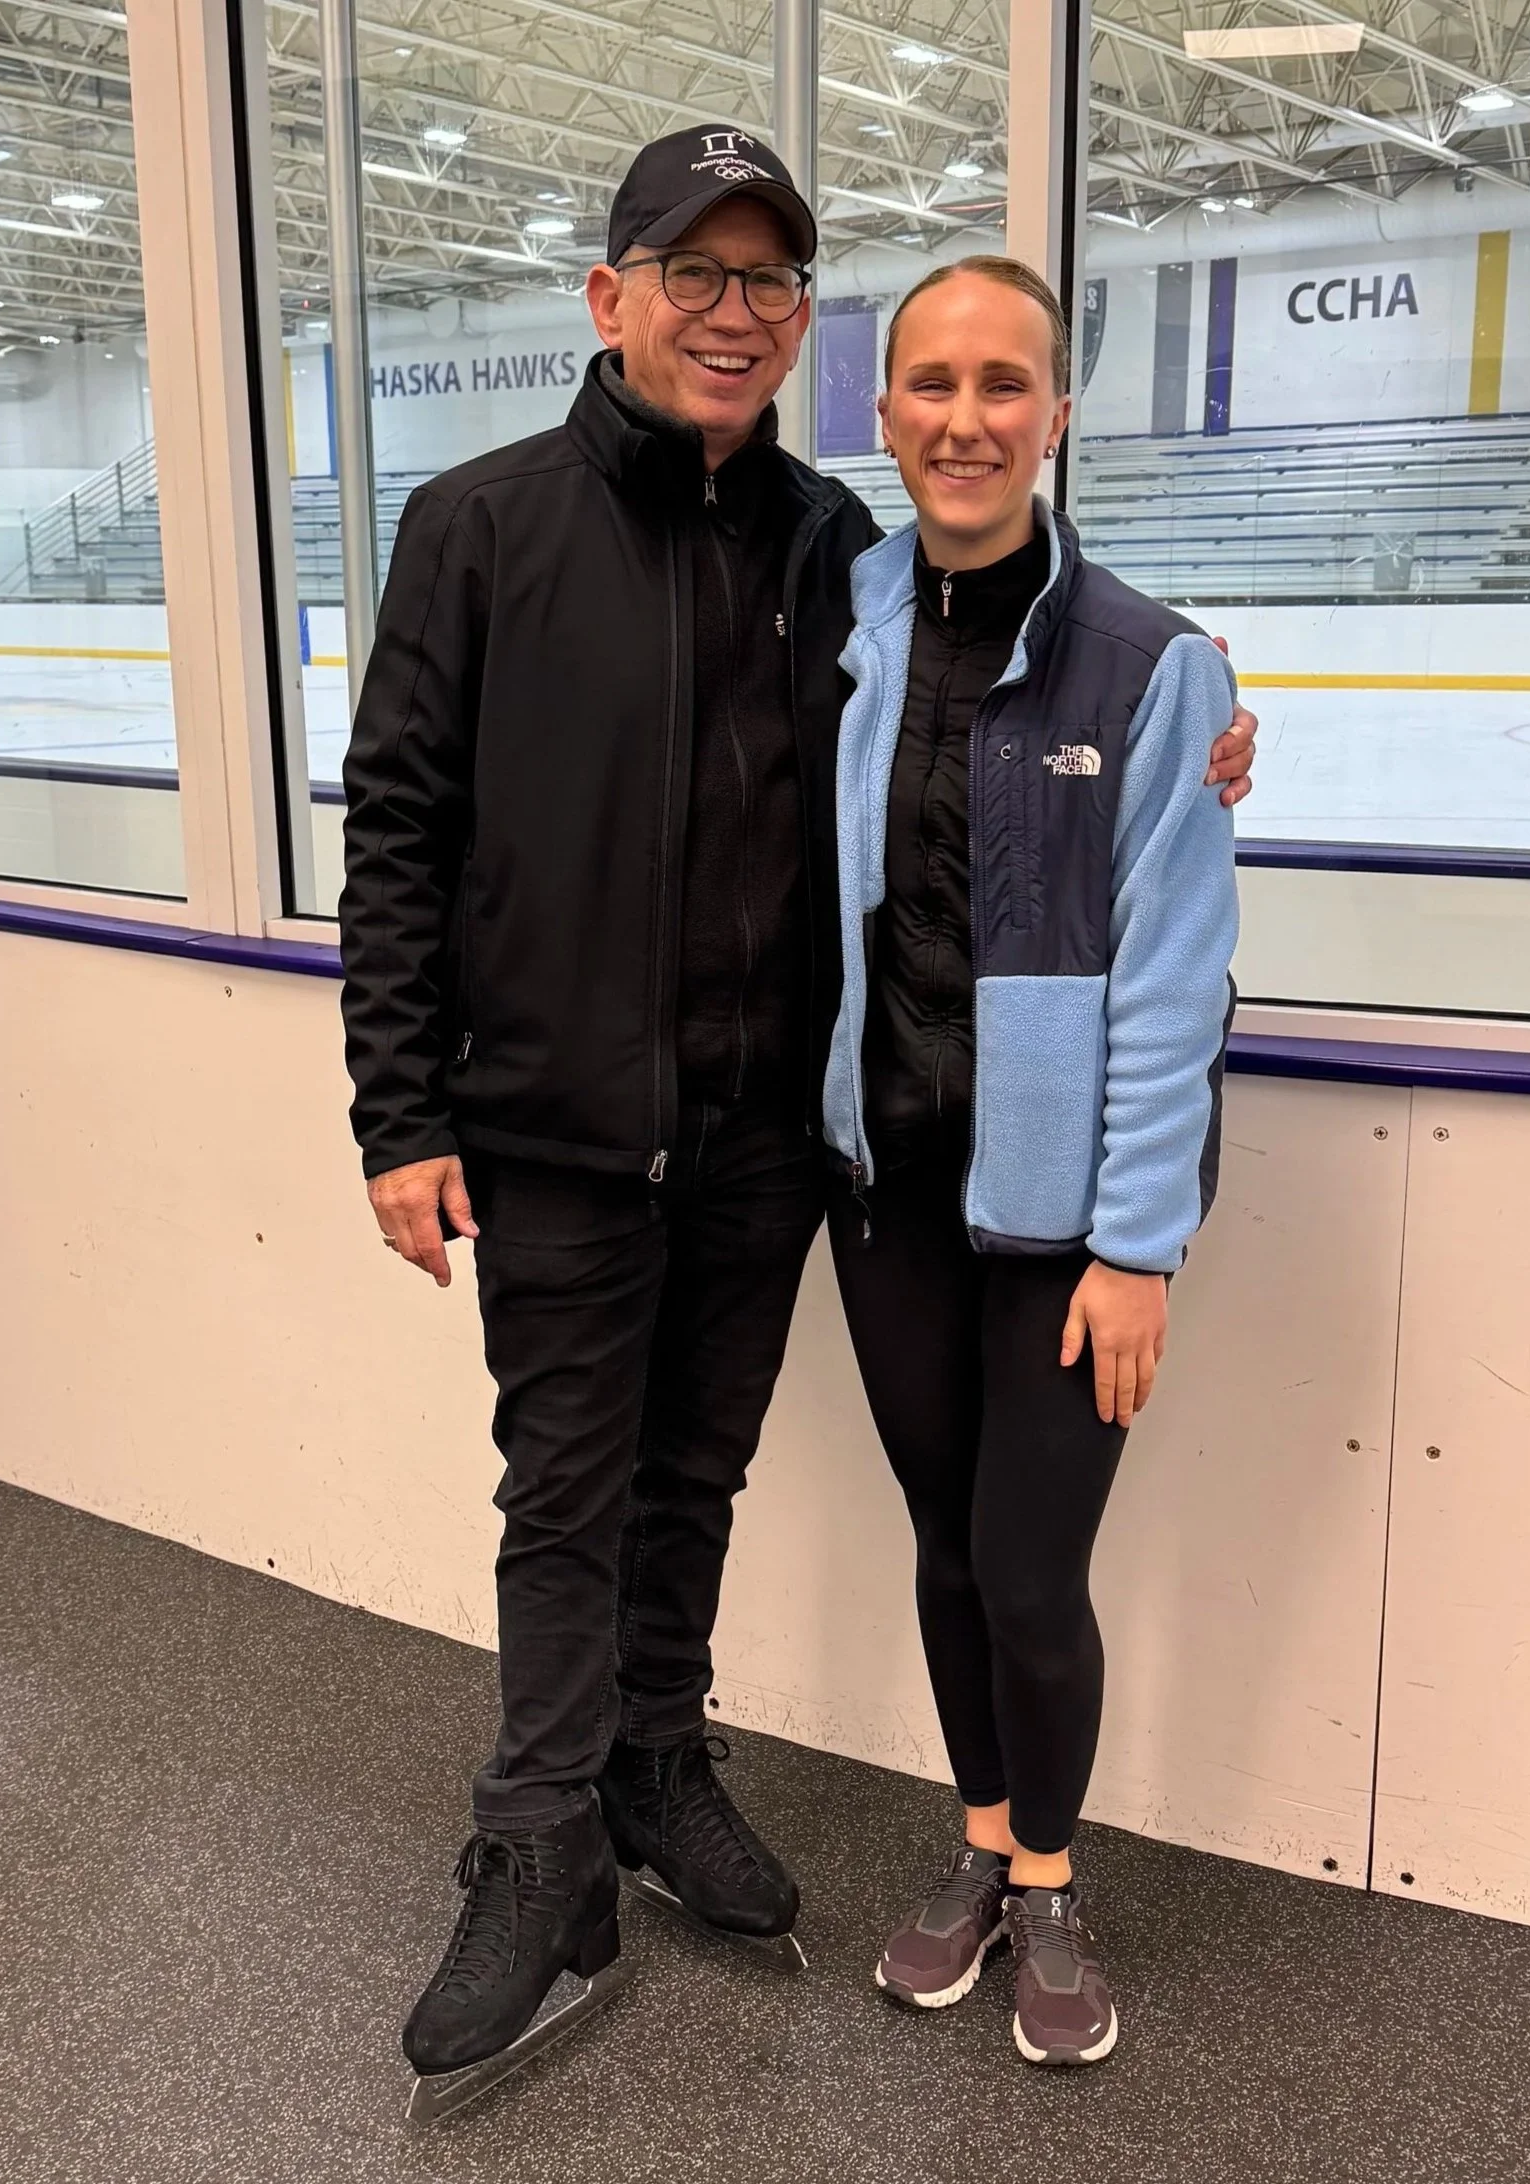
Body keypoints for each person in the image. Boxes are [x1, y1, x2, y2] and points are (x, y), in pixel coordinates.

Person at [339, 125, 1258, 2083]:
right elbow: (402, 834)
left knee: (701, 1483)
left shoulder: (824, 549)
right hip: (565, 1131)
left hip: (769, 1150)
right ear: (612, 298)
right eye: (696, 270)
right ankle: (534, 1851)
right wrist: (398, 1108)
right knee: (566, 1497)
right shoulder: (475, 529)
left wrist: (1202, 735)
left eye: (768, 280)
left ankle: (660, 1766)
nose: (732, 307)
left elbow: (1049, 748)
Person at [822, 256, 1240, 2068]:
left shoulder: (1150, 666)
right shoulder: (835, 615)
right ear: (887, 411)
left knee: (1026, 1564)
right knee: (938, 1540)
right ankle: (979, 1851)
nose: (965, 417)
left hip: (1064, 1218)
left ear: (1054, 415)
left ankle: (1053, 1886)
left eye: (1004, 384)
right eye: (931, 383)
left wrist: (1137, 1243)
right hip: (888, 1189)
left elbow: (1170, 975)